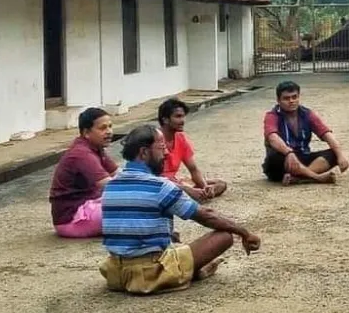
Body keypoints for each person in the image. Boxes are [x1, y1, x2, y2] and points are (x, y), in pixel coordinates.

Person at [99, 125, 261, 295]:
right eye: (162, 148)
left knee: (173, 238)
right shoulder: (160, 186)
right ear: (144, 152)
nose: (167, 154)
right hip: (150, 273)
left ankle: (192, 270)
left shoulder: (111, 184)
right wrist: (244, 233)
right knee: (224, 236)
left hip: (116, 273)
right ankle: (191, 272)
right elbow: (206, 216)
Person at [262, 80, 349, 185]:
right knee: (274, 158)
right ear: (278, 100)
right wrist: (289, 153)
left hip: (303, 157)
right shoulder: (272, 116)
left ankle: (298, 178)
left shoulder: (307, 114)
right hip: (282, 162)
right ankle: (316, 177)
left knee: (333, 153)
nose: (291, 101)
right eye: (286, 98)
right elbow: (272, 137)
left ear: (299, 97)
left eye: (294, 97)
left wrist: (340, 155)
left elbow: (326, 133)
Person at [49, 107, 117, 238]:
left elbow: (118, 174)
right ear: (86, 132)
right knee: (130, 212)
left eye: (110, 126)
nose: (109, 132)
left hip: (89, 207)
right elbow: (112, 185)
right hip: (72, 218)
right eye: (103, 128)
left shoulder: (97, 148)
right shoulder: (81, 154)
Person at [158, 97, 228, 202]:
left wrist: (205, 188)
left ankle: (194, 193)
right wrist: (186, 189)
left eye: (183, 116)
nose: (182, 121)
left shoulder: (180, 138)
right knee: (186, 192)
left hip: (175, 182)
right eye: (178, 117)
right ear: (165, 119)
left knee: (221, 184)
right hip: (158, 186)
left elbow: (193, 169)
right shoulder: (154, 139)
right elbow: (152, 178)